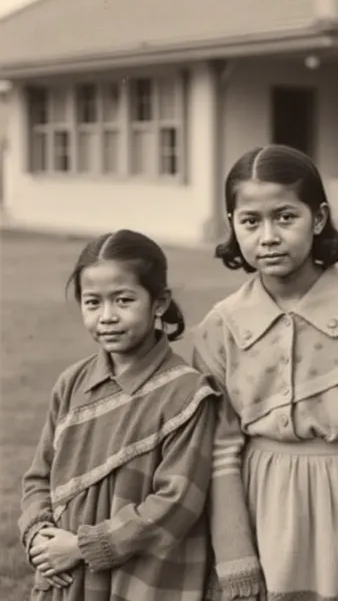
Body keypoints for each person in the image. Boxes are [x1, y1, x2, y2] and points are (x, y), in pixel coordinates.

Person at [192, 145, 338, 601]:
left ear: (318, 219)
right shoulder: (221, 328)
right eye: (250, 221)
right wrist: (235, 557)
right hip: (262, 512)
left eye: (285, 217)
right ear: (232, 225)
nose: (268, 236)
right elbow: (217, 452)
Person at [19, 229, 219, 601]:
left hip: (143, 576)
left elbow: (177, 503)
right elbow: (38, 478)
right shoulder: (71, 384)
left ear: (159, 303)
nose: (107, 317)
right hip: (67, 573)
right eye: (92, 303)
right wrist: (40, 535)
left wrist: (83, 546)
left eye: (124, 300)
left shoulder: (186, 392)